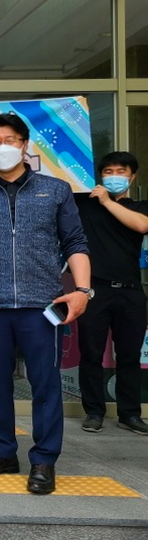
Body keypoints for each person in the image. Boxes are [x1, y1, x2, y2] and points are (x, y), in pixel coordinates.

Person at [0, 112, 91, 495]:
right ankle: (2, 452)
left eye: (10, 140)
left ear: (25, 145)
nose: (3, 147)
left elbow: (75, 242)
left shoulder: (55, 189)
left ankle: (44, 459)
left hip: (42, 303)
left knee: (44, 382)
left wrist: (82, 290)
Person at [75, 151, 148, 436]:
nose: (114, 176)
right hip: (95, 290)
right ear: (99, 176)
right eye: (108, 172)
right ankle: (94, 412)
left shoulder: (139, 207)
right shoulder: (84, 204)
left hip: (130, 292)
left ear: (132, 176)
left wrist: (107, 201)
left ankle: (130, 414)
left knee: (129, 355)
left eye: (121, 172)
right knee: (91, 353)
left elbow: (142, 225)